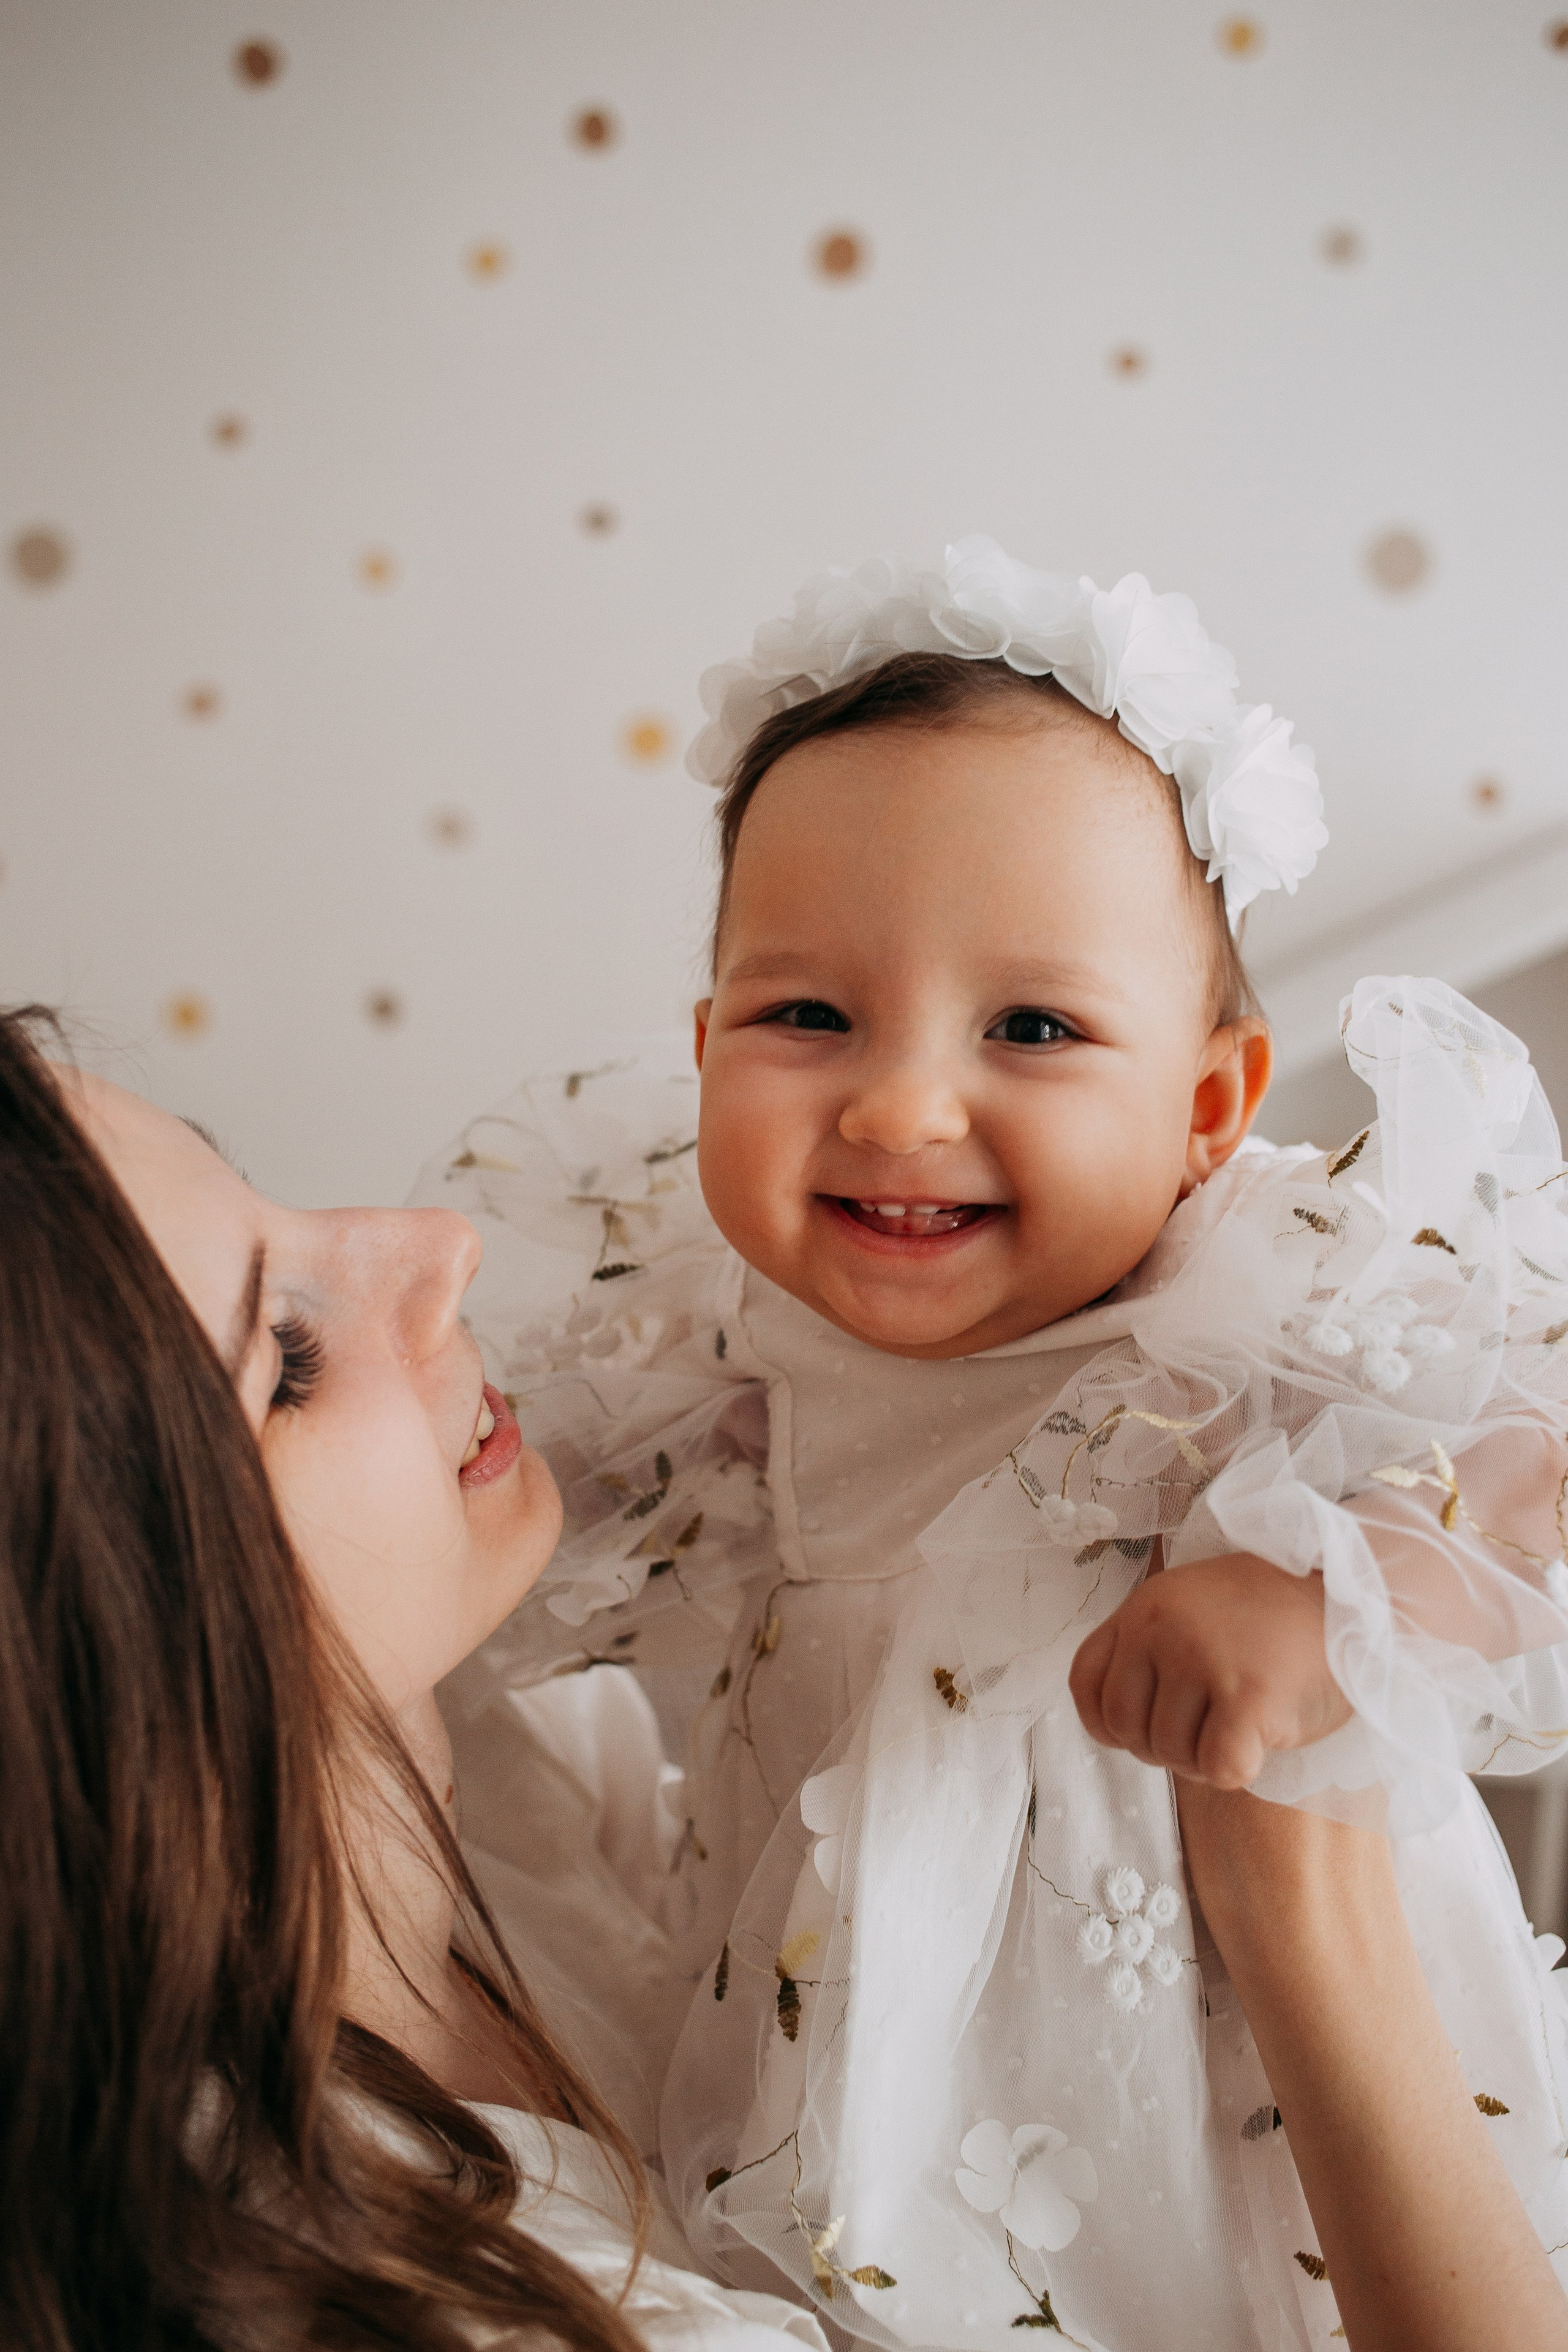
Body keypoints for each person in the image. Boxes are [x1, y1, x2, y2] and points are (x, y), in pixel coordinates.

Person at [421, 540, 1568, 2348]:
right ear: (706, 1041)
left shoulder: (1255, 1294)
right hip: (836, 2083)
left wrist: (1337, 1591)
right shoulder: (718, 1348)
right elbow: (487, 1546)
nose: (899, 1103)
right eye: (809, 1017)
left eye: (1031, 1025)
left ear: (1206, 1106)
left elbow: (1541, 1451)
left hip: (1239, 2131)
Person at [0, 1006, 826, 2352]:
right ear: (103, 1677)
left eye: (256, 1187)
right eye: (288, 1362)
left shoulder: (508, 1755)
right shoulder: (393, 2307)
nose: (439, 1244)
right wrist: (1290, 1913)